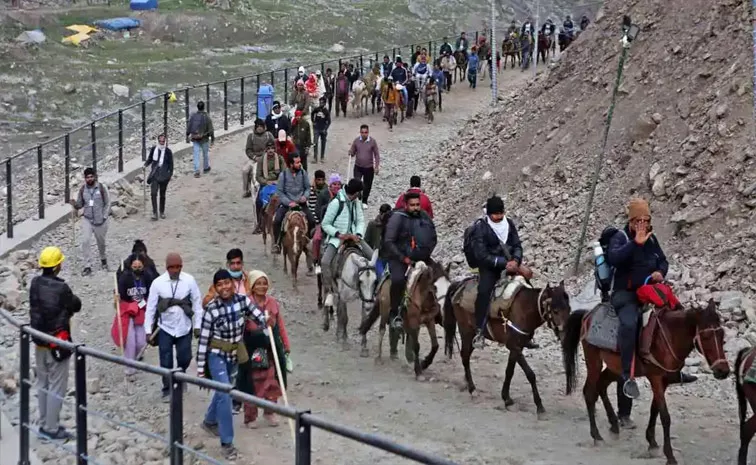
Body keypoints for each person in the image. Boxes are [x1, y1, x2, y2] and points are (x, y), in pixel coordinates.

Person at [606, 198, 690, 428]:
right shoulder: (621, 238)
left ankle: (676, 369)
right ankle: (626, 374)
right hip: (626, 294)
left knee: (677, 317)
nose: (643, 224)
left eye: (646, 220)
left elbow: (662, 261)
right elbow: (615, 258)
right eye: (638, 220)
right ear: (631, 221)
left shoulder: (652, 239)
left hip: (649, 291)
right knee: (630, 324)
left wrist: (659, 273)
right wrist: (635, 243)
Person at [198, 269, 267, 460]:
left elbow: (257, 316)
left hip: (234, 355)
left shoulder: (242, 301)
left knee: (223, 391)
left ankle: (210, 421)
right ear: (215, 288)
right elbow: (203, 341)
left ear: (232, 283)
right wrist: (201, 370)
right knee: (226, 395)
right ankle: (227, 443)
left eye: (227, 283)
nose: (224, 287)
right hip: (216, 355)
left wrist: (264, 320)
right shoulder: (211, 309)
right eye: (219, 285)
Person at [29, 247, 82, 440]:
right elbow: (75, 305)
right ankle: (51, 428)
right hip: (57, 343)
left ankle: (45, 422)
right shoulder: (62, 288)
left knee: (42, 382)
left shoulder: (34, 283)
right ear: (58, 265)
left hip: (39, 341)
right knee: (57, 385)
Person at [468, 196, 531, 349]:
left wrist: (516, 260)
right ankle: (480, 330)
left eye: (501, 213)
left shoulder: (508, 224)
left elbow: (517, 245)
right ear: (489, 214)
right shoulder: (481, 228)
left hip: (511, 264)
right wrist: (503, 263)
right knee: (484, 292)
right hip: (490, 267)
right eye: (496, 214)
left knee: (527, 289)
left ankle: (527, 332)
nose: (499, 216)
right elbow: (481, 255)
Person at [145, 253, 203, 401]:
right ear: (167, 267)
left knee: (185, 357)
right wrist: (147, 330)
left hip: (184, 327)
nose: (175, 270)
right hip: (165, 327)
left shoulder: (189, 280)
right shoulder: (157, 283)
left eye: (178, 267)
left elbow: (197, 302)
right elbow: (150, 308)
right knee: (165, 360)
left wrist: (197, 325)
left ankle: (180, 377)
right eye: (172, 267)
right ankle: (166, 388)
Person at [240, 270, 290, 428]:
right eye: (258, 283)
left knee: (272, 380)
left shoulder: (272, 303)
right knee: (253, 382)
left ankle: (270, 411)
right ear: (252, 286)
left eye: (265, 283)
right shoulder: (246, 303)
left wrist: (286, 344)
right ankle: (250, 416)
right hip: (253, 348)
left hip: (271, 348)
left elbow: (280, 325)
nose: (262, 286)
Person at [382, 192, 437, 328]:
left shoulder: (424, 217)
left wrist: (427, 252)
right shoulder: (397, 218)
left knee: (440, 276)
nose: (416, 208)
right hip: (399, 258)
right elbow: (389, 242)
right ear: (405, 205)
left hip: (423, 257)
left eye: (417, 205)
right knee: (398, 280)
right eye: (412, 205)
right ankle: (395, 313)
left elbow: (433, 237)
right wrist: (403, 258)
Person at [320, 179, 373, 307]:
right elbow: (325, 224)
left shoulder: (356, 203)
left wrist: (358, 234)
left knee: (373, 257)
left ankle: (373, 287)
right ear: (356, 192)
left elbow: (360, 221)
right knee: (325, 262)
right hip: (338, 238)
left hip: (355, 237)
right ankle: (330, 291)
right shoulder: (336, 203)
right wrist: (339, 234)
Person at [115, 253, 156, 374]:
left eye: (139, 267)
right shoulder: (124, 278)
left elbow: (151, 295)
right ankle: (129, 367)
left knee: (141, 342)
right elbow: (119, 297)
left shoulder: (148, 277)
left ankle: (136, 358)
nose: (137, 269)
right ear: (130, 266)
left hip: (142, 312)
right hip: (127, 311)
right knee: (130, 340)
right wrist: (116, 299)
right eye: (135, 267)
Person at [70, 167, 110, 276]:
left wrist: (104, 216)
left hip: (100, 221)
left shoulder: (101, 188)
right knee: (85, 241)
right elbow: (80, 204)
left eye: (91, 176)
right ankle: (87, 265)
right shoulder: (83, 190)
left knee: (100, 242)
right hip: (87, 219)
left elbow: (107, 203)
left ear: (95, 177)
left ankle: (103, 259)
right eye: (87, 177)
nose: (89, 179)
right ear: (85, 178)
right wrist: (74, 204)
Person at [272, 153, 316, 253]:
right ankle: (277, 244)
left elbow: (308, 188)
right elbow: (280, 192)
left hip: (301, 204)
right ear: (291, 164)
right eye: (297, 163)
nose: (300, 164)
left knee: (312, 221)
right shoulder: (283, 175)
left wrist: (305, 196)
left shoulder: (303, 173)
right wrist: (289, 203)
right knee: (277, 221)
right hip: (287, 204)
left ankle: (309, 243)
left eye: (300, 162)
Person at [254, 140, 285, 234]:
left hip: (277, 184)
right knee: (258, 202)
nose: (271, 150)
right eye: (269, 148)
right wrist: (266, 182)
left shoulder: (280, 159)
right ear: (266, 150)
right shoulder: (261, 160)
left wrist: (277, 181)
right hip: (266, 184)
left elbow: (284, 173)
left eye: (272, 148)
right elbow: (258, 176)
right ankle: (259, 224)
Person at [349, 125, 380, 209]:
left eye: (365, 132)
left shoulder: (372, 142)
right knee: (357, 182)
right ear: (360, 132)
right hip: (358, 166)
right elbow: (353, 151)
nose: (364, 134)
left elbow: (376, 154)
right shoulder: (356, 141)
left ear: (368, 132)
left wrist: (376, 166)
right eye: (362, 132)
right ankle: (358, 198)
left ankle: (364, 200)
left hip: (369, 168)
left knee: (367, 185)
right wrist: (351, 152)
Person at [144, 133, 173, 220]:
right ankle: (155, 213)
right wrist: (145, 165)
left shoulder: (168, 152)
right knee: (153, 193)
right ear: (158, 141)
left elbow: (171, 166)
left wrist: (169, 175)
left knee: (162, 194)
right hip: (155, 174)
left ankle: (162, 211)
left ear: (165, 142)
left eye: (163, 141)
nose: (161, 143)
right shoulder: (154, 149)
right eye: (160, 141)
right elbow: (150, 159)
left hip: (164, 176)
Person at [243, 119, 274, 198]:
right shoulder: (251, 136)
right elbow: (248, 150)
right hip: (254, 158)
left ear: (264, 127)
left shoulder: (268, 135)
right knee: (245, 170)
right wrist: (254, 157)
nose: (259, 128)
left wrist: (267, 155)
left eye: (261, 126)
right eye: (258, 126)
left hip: (266, 157)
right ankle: (246, 190)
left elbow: (274, 147)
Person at [187, 101, 214, 177]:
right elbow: (211, 129)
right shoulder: (207, 117)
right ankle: (206, 168)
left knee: (196, 154)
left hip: (195, 139)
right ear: (204, 107)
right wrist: (212, 139)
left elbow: (189, 126)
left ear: (197, 107)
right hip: (204, 139)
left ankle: (196, 171)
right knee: (205, 154)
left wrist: (187, 135)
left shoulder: (193, 116)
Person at [364, 203, 392, 276]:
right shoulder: (372, 224)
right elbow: (367, 241)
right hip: (376, 256)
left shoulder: (392, 226)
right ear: (380, 213)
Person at [311, 96, 331, 163]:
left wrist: (325, 129)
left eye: (322, 103)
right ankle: (315, 157)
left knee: (323, 143)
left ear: (325, 103)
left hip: (323, 130)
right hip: (316, 129)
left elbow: (329, 121)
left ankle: (322, 157)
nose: (321, 104)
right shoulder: (317, 109)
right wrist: (313, 122)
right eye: (320, 102)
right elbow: (312, 113)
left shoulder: (326, 111)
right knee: (315, 143)